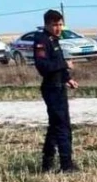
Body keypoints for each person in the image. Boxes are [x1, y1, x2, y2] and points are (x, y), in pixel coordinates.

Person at [33, 10, 79, 172]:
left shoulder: (54, 40)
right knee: (61, 127)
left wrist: (67, 78)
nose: (58, 28)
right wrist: (65, 65)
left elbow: (58, 61)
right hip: (51, 89)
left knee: (55, 126)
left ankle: (47, 162)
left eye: (60, 24)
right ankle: (66, 164)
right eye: (55, 25)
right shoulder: (42, 41)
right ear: (47, 24)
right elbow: (43, 67)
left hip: (60, 86)